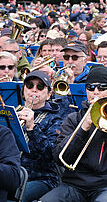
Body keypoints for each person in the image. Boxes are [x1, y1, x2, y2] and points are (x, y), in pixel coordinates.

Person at [41, 65, 107, 202]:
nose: (96, 91)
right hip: (74, 185)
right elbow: (60, 157)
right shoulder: (74, 119)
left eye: (102, 87)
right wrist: (83, 128)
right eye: (90, 87)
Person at [17, 71, 63, 202]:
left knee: (20, 195)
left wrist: (32, 128)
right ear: (23, 91)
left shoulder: (56, 119)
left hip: (42, 178)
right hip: (13, 173)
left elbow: (51, 153)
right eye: (30, 85)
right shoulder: (13, 113)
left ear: (49, 94)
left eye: (40, 87)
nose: (34, 90)